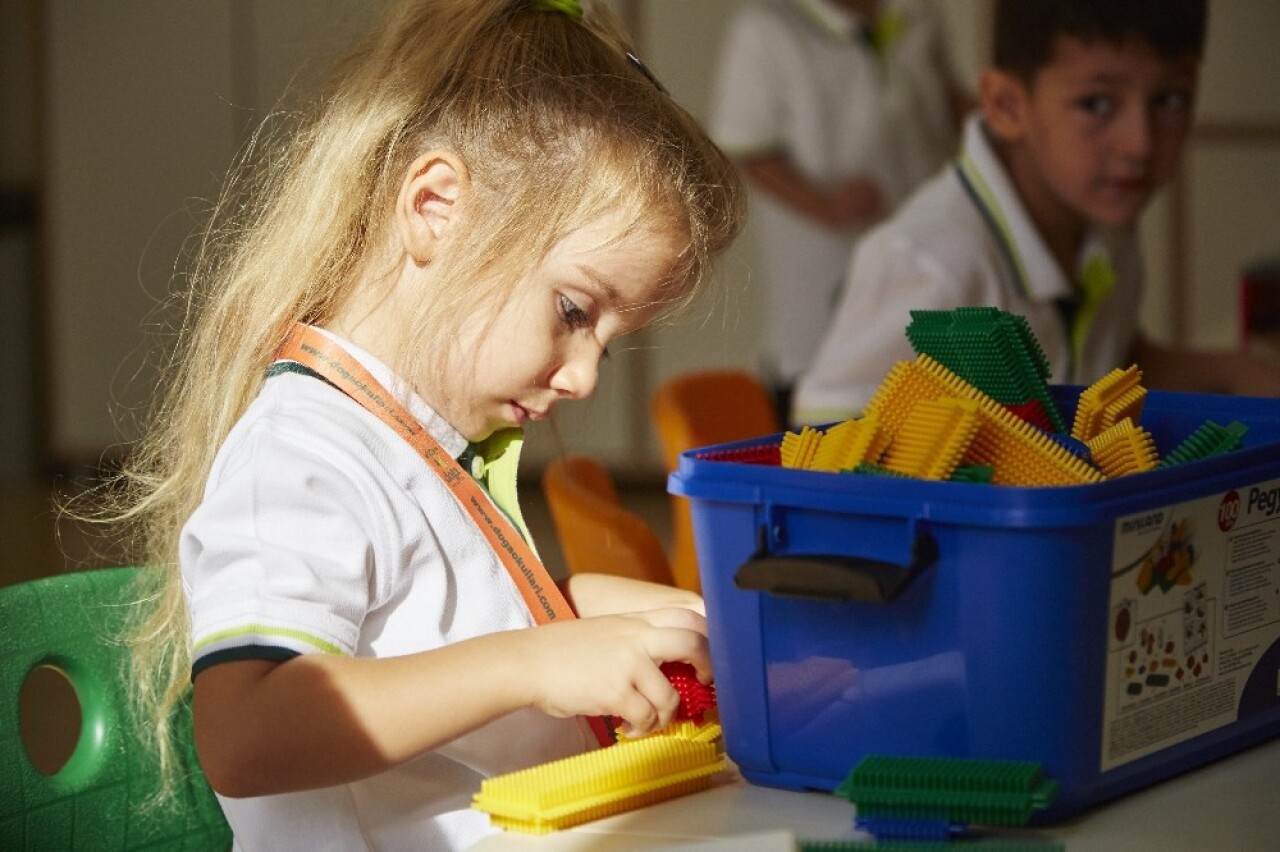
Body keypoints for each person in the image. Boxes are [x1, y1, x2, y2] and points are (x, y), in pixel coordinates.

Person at [98, 1, 744, 848]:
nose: (584, 375)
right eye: (574, 309)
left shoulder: (421, 434)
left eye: (608, 346)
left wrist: (598, 615)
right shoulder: (301, 450)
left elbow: (432, 622)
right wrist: (534, 663)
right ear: (435, 207)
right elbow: (246, 731)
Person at [793, 0, 1280, 426]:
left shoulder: (1107, 227)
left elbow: (1108, 362)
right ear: (1006, 105)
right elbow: (824, 442)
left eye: (1171, 99)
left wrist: (1235, 371)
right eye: (1096, 103)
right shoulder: (928, 261)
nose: (1141, 143)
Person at [709, 0, 968, 423]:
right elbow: (746, 143)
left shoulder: (918, 12)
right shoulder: (767, 26)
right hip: (822, 277)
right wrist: (825, 205)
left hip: (928, 255)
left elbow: (949, 102)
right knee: (829, 415)